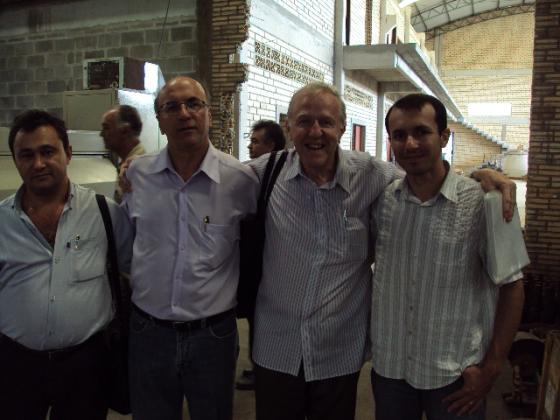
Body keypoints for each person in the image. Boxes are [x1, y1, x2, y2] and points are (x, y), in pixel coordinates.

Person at [247, 82, 517, 420]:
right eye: (304, 122)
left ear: (342, 128)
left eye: (326, 122)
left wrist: (483, 175)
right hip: (281, 348)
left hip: (345, 356)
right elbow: (215, 180)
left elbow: (428, 176)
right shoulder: (264, 174)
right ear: (289, 127)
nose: (315, 132)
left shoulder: (372, 176)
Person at [370, 93, 527, 420]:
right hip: (390, 371)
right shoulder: (384, 202)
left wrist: (493, 367)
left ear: (444, 136)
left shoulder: (487, 203)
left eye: (421, 132)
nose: (410, 144)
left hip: (455, 377)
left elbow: (513, 287)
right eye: (399, 135)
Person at [122, 76, 259, 420]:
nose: (184, 114)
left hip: (213, 337)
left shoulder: (239, 180)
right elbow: (126, 242)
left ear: (208, 113)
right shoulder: (137, 176)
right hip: (148, 333)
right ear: (160, 120)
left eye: (193, 104)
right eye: (172, 107)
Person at [0, 110, 132, 420]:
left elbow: (133, 267)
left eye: (47, 151)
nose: (38, 163)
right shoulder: (2, 222)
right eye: (26, 155)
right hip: (16, 365)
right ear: (15, 160)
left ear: (68, 153)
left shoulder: (104, 213)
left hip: (86, 366)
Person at [237, 119, 287, 391]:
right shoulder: (255, 172)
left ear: (272, 146)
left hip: (268, 263)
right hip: (255, 260)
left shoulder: (279, 176)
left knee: (261, 319)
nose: (250, 146)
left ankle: (263, 369)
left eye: (256, 142)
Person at [100, 104, 146, 202]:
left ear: (125, 131)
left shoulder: (137, 169)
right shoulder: (127, 164)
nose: (101, 134)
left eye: (106, 127)